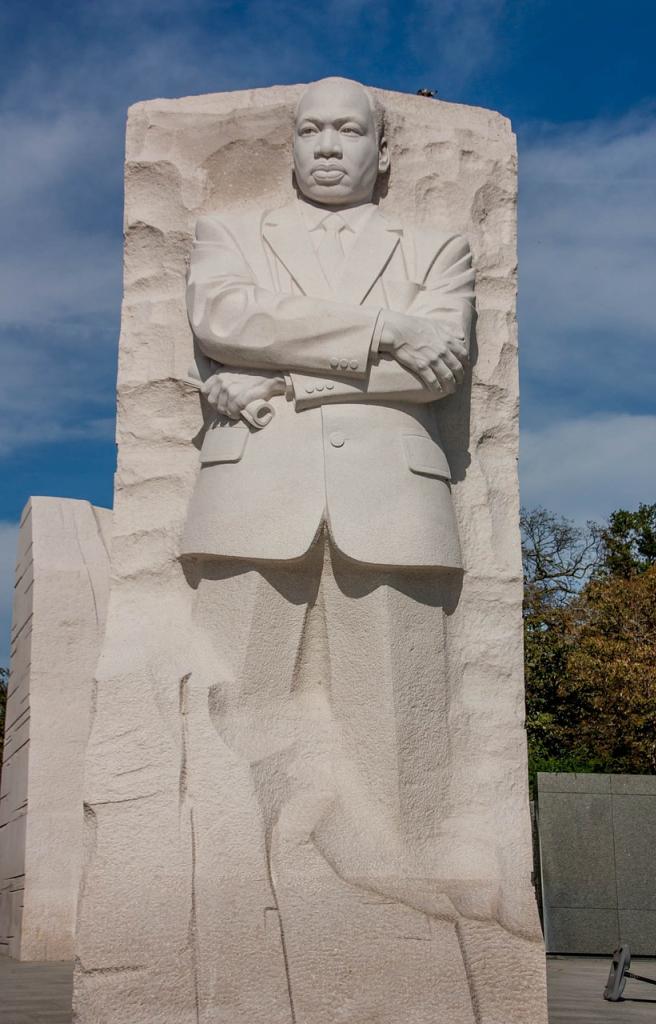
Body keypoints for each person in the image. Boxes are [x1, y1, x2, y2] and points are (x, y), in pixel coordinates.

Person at [180, 77, 480, 1023]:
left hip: (392, 502)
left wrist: (281, 376)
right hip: (249, 500)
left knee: (400, 737)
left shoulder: (439, 245)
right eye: (311, 129)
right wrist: (384, 329)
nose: (328, 146)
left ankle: (400, 936)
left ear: (383, 151)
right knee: (230, 719)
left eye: (351, 131)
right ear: (290, 144)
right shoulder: (229, 235)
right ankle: (225, 924)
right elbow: (223, 322)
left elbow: (442, 370)